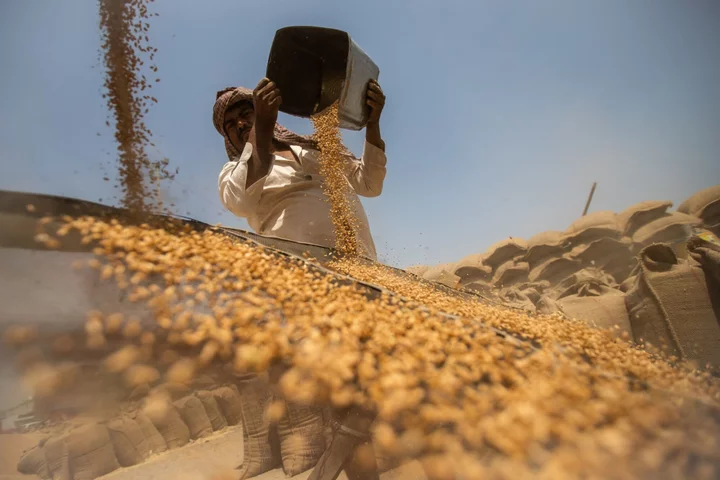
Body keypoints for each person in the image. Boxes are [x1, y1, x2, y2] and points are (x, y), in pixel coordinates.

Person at [213, 78, 387, 260]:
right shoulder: (232, 172)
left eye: (245, 114)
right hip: (302, 269)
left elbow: (369, 184)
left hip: (362, 264)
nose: (240, 124)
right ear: (228, 138)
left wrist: (373, 124)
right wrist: (262, 126)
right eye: (231, 125)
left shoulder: (313, 148)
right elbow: (242, 203)